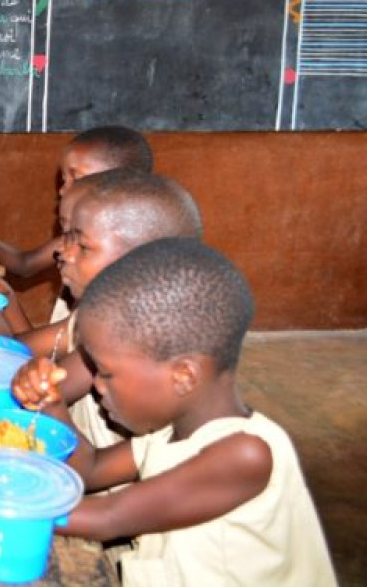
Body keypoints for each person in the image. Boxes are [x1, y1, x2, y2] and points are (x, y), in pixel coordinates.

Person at [61, 239, 336, 586]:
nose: (97, 385)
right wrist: (50, 403)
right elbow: (89, 470)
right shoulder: (170, 431)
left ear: (184, 376)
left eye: (107, 373)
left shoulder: (246, 454)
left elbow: (107, 517)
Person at [0, 169, 204, 484]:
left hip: (89, 498)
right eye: (66, 236)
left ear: (139, 263)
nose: (62, 252)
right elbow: (22, 359)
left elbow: (15, 368)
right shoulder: (100, 319)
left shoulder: (136, 349)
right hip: (69, 473)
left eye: (82, 245)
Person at [0, 125, 154, 282]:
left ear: (122, 186)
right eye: (64, 179)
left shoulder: (132, 256)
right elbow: (25, 264)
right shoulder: (73, 237)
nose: (62, 190)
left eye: (77, 179)